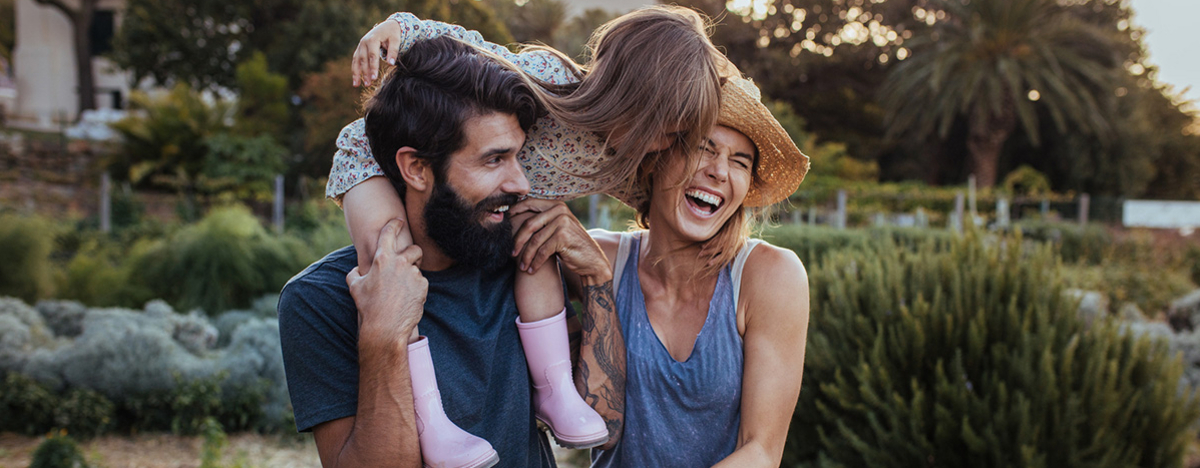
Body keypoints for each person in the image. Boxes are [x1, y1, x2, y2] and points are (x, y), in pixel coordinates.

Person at [277, 37, 625, 468]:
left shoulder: (518, 260)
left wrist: (595, 276)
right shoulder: (320, 300)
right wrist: (384, 335)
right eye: (494, 160)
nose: (521, 183)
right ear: (417, 168)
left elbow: (604, 423)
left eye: (518, 156)